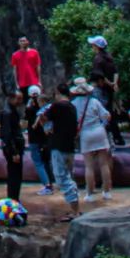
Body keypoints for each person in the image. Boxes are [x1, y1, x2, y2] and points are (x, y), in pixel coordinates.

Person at [72, 78, 112, 202]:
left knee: (89, 166)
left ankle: (90, 194)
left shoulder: (73, 104)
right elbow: (107, 115)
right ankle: (106, 192)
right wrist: (103, 124)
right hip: (99, 131)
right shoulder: (94, 101)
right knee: (104, 164)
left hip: (85, 134)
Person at [46, 82, 80, 218]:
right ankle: (75, 209)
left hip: (58, 145)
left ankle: (75, 211)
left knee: (62, 178)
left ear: (58, 93)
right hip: (70, 146)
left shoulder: (57, 106)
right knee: (69, 177)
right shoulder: (72, 107)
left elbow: (44, 117)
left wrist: (47, 128)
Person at [88, 36, 125, 146]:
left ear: (97, 46)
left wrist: (109, 83)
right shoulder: (109, 57)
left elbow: (100, 76)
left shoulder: (98, 59)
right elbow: (116, 72)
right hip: (110, 89)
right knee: (110, 112)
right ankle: (117, 137)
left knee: (102, 113)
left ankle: (107, 137)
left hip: (101, 89)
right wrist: (114, 84)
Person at [25, 86, 53, 193]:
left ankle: (47, 186)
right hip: (46, 138)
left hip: (34, 138)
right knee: (46, 161)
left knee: (38, 162)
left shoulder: (30, 108)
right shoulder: (47, 108)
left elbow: (27, 117)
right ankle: (50, 183)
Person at [0, 90, 25, 200]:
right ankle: (13, 198)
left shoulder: (12, 111)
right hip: (13, 149)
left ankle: (15, 198)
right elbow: (7, 134)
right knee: (14, 175)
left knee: (17, 176)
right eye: (18, 99)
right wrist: (14, 152)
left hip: (16, 146)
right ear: (11, 98)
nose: (20, 101)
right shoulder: (7, 113)